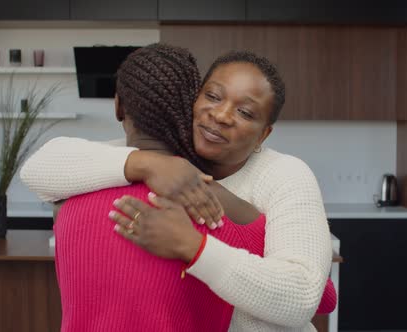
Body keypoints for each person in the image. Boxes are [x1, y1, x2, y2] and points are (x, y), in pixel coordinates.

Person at [22, 50, 334, 331]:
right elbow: (40, 167)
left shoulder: (285, 174)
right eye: (212, 96)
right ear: (190, 101)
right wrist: (148, 165)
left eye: (245, 113)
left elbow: (309, 296)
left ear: (264, 134)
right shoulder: (152, 158)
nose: (222, 115)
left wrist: (193, 246)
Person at [53, 43, 270, 332]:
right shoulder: (232, 213)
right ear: (191, 110)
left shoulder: (64, 203)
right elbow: (319, 298)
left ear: (118, 107)